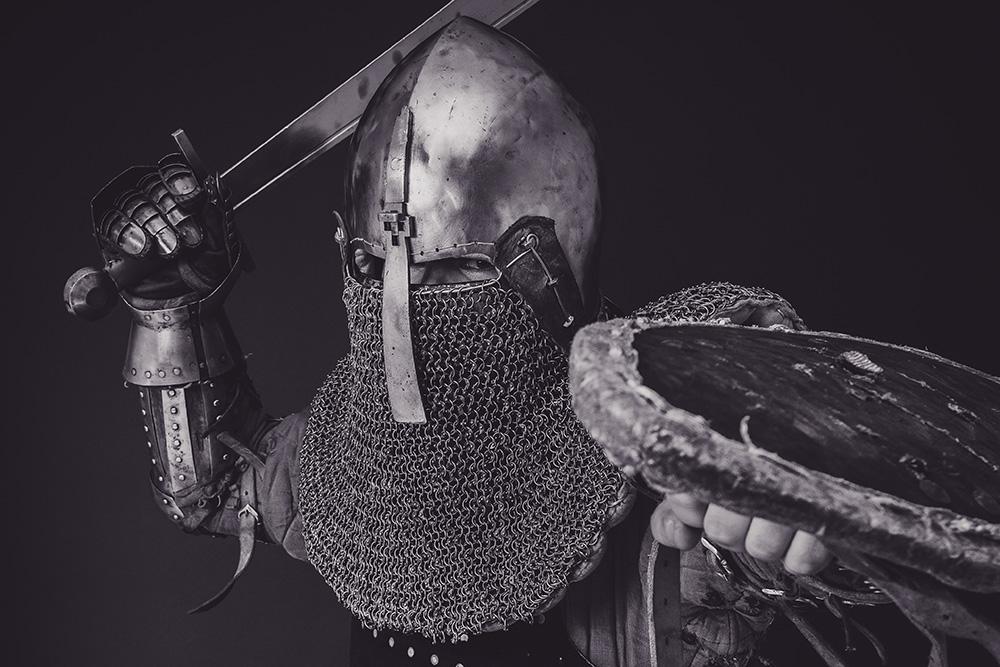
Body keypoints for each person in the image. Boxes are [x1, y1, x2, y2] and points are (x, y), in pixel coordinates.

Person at [82, 17, 893, 667]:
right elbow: (208, 486)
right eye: (373, 265)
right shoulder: (349, 458)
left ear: (552, 266)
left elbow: (810, 513)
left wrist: (790, 497)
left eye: (456, 268)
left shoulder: (661, 436)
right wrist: (171, 311)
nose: (400, 310)